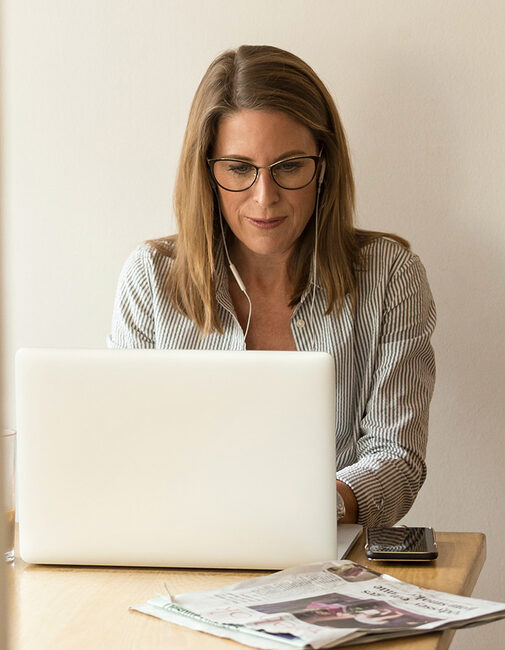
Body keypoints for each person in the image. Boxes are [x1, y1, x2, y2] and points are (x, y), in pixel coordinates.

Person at [108, 45, 436, 527]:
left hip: (332, 561)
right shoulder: (150, 279)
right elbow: (123, 452)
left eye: (288, 167)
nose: (265, 198)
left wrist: (310, 508)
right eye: (239, 169)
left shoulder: (389, 276)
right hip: (180, 551)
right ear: (207, 172)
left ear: (322, 166)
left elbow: (398, 458)